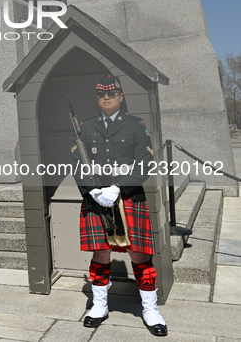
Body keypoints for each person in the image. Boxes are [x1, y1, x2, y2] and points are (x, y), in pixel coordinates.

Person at [71, 75, 167, 337]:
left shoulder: (136, 126)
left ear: (121, 96)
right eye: (102, 94)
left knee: (139, 254)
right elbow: (76, 163)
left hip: (128, 197)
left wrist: (117, 188)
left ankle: (150, 308)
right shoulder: (85, 127)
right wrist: (93, 191)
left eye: (112, 94)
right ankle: (99, 305)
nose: (106, 97)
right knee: (100, 253)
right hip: (97, 199)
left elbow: (145, 163)